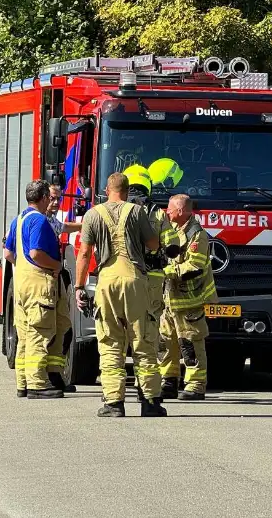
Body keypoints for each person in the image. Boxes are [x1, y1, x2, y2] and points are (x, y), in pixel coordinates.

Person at [74, 173, 166, 418]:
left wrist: (79, 286)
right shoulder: (137, 211)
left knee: (110, 343)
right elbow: (153, 245)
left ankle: (114, 403)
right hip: (135, 280)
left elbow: (84, 253)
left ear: (107, 190)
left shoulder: (93, 214)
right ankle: (150, 402)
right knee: (143, 341)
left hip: (107, 282)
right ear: (127, 191)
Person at [2, 180, 68, 399]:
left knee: (24, 335)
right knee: (40, 333)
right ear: (44, 198)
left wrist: (24, 268)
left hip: (22, 283)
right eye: (50, 197)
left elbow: (8, 253)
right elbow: (36, 253)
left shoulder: (19, 219)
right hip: (39, 284)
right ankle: (38, 384)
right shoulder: (39, 220)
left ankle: (23, 383)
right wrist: (56, 265)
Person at [123, 164, 180, 400]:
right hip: (152, 278)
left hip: (122, 277)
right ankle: (145, 387)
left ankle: (113, 391)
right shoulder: (157, 212)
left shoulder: (115, 210)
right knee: (149, 331)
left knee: (119, 332)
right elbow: (172, 244)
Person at [159, 194, 216, 400]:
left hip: (189, 300)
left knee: (191, 343)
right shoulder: (172, 229)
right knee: (166, 342)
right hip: (169, 299)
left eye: (170, 209)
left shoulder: (197, 235)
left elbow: (194, 266)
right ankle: (168, 381)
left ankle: (196, 385)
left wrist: (166, 272)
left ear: (181, 211)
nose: (167, 211)